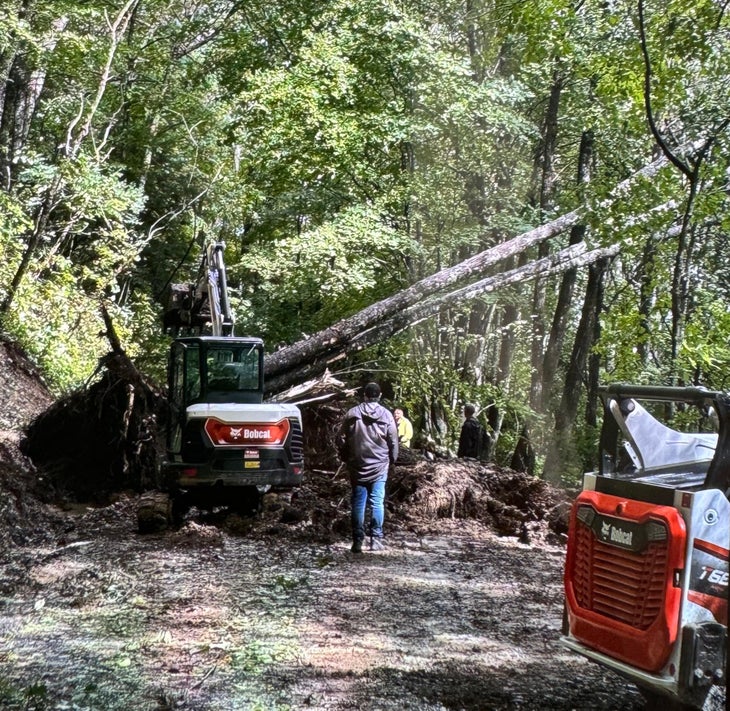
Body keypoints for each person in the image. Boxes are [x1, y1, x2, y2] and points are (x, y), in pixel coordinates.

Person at [338, 382, 398, 553]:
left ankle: (357, 541)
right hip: (379, 465)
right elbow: (393, 440)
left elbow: (340, 438)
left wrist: (345, 455)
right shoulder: (386, 415)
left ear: (364, 395)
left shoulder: (352, 413)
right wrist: (392, 459)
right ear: (379, 396)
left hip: (357, 465)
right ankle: (376, 540)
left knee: (358, 503)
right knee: (377, 502)